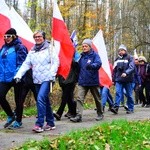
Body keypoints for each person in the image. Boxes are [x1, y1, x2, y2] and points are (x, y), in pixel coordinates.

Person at [14, 30, 59, 133]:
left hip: (48, 78)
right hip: (37, 79)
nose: (37, 38)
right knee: (44, 100)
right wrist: (18, 75)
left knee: (40, 98)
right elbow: (26, 64)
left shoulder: (50, 48)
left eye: (39, 36)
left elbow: (55, 62)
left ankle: (39, 124)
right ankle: (51, 122)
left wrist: (52, 74)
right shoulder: (32, 50)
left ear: (43, 37)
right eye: (35, 37)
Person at [70, 38, 103, 122]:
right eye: (83, 46)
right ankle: (79, 116)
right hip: (82, 81)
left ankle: (100, 113)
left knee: (97, 98)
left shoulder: (95, 55)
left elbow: (98, 64)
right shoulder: (80, 56)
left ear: (90, 47)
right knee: (79, 98)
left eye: (86, 46)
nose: (84, 47)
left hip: (93, 81)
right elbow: (77, 67)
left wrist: (92, 65)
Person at [0, 28, 27, 128]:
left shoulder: (20, 47)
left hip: (17, 78)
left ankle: (18, 121)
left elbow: (22, 63)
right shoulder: (3, 47)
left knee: (18, 100)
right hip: (4, 78)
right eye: (5, 36)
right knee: (0, 96)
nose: (6, 38)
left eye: (9, 36)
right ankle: (10, 115)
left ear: (14, 36)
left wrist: (17, 75)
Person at [111, 44, 135, 114]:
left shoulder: (130, 58)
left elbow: (132, 67)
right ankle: (116, 107)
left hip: (128, 79)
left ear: (125, 50)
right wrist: (113, 79)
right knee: (118, 93)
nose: (120, 52)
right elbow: (114, 70)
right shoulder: (117, 59)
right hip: (119, 80)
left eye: (122, 50)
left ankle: (130, 108)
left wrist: (126, 73)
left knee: (129, 94)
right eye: (119, 50)